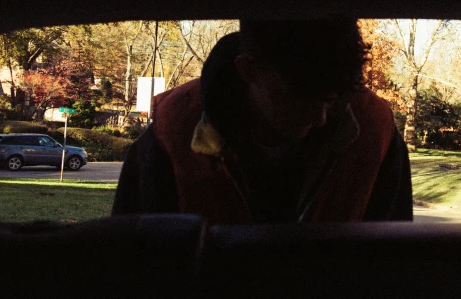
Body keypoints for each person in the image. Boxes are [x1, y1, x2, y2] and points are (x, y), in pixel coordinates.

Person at [112, 17, 413, 223]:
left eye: (332, 100)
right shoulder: (174, 128)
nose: (320, 118)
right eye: (299, 96)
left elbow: (393, 266)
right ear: (248, 70)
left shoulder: (376, 129)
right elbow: (139, 267)